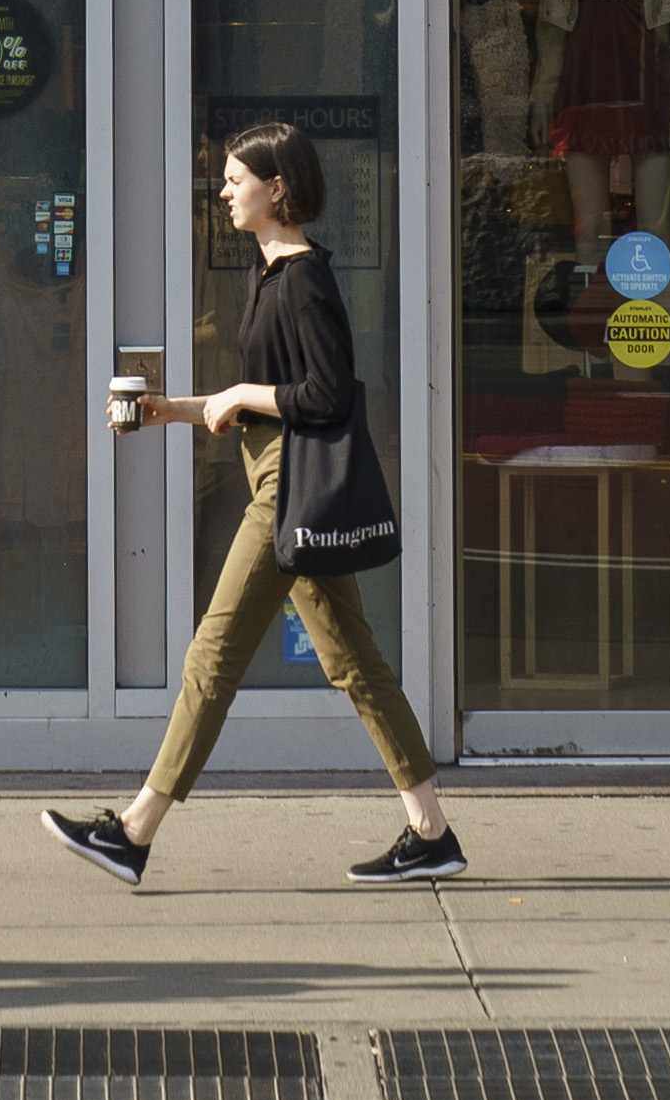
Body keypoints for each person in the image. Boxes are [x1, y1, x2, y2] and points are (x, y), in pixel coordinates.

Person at [42, 121, 461, 891]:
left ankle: (133, 831)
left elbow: (328, 394)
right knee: (356, 663)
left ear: (278, 188)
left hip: (287, 488)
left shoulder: (302, 278)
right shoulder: (267, 274)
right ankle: (430, 831)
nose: (225, 191)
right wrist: (171, 410)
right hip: (281, 475)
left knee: (212, 657)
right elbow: (271, 399)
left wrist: (239, 392)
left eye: (237, 180)